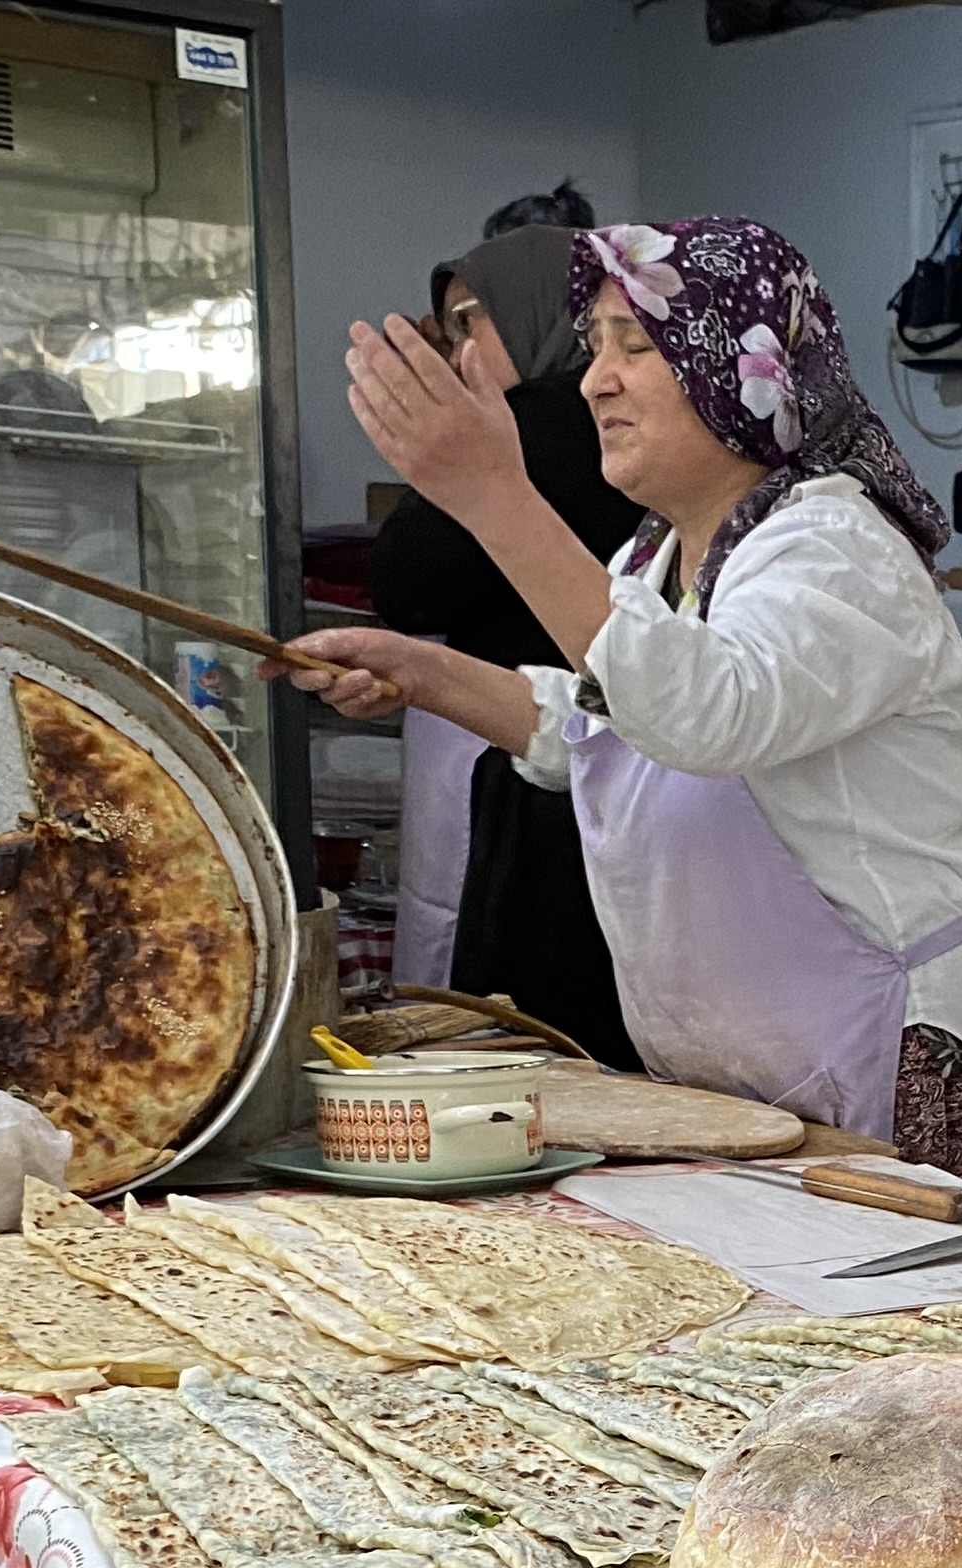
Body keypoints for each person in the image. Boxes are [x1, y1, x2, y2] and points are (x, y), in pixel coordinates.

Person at [283, 220, 962, 1186]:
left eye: (637, 346)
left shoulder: (836, 549)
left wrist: (494, 497)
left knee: (900, 1331)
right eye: (595, 346)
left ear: (744, 369)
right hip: (736, 1067)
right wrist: (420, 673)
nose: (598, 379)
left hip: (889, 1047)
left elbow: (706, 715)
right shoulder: (655, 557)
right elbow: (600, 729)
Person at [369, 223, 642, 1061]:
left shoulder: (540, 423)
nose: (457, 354)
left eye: (467, 325)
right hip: (567, 747)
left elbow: (406, 583)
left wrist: (455, 476)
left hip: (544, 793)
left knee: (516, 1038)